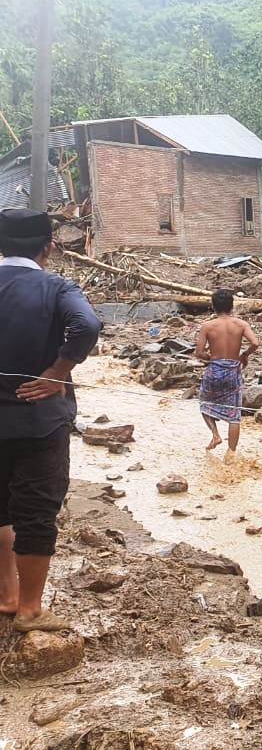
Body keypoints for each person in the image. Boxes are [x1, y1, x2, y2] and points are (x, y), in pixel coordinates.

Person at [0, 208, 102, 632]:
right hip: (39, 419)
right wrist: (57, 372)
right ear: (49, 247)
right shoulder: (55, 286)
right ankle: (30, 609)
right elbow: (87, 324)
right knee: (36, 512)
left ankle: (6, 595)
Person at [195, 289, 259, 456]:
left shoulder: (207, 326)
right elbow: (255, 343)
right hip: (233, 371)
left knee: (204, 403)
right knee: (234, 414)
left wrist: (211, 358)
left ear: (213, 307)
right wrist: (244, 355)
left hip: (214, 369)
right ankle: (231, 453)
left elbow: (199, 352)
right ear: (231, 306)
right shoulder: (241, 325)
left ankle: (215, 435)